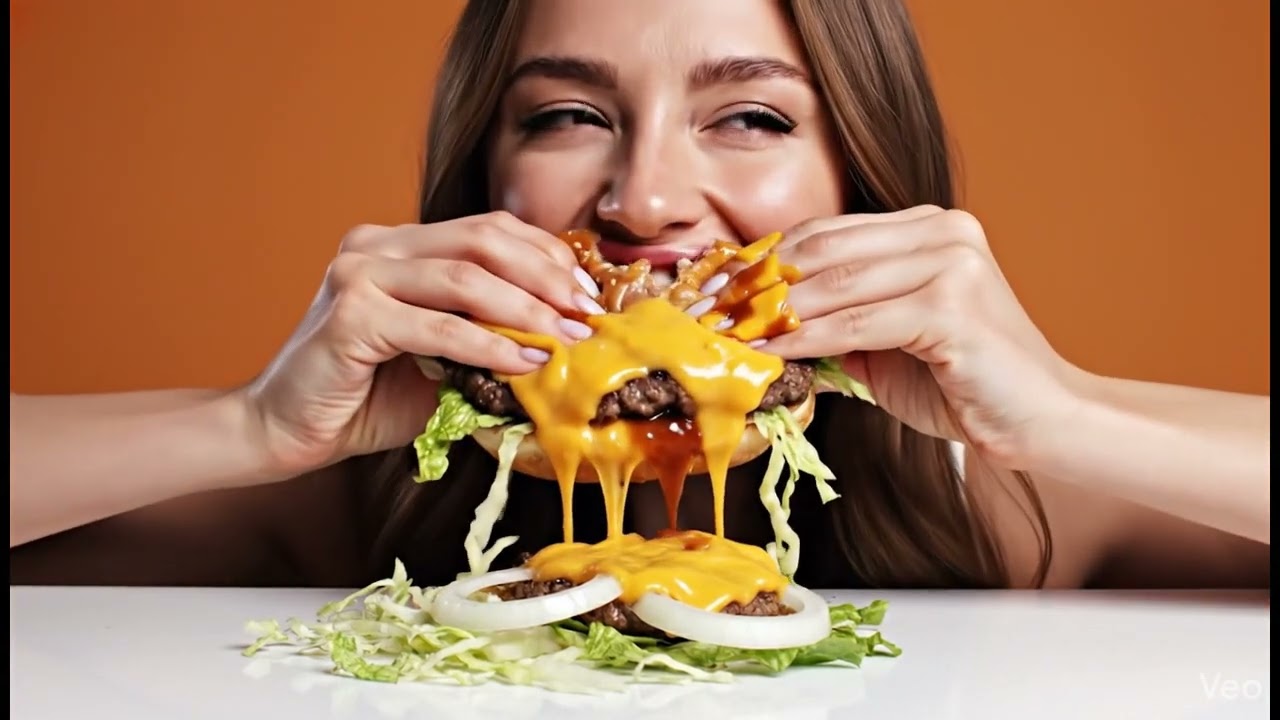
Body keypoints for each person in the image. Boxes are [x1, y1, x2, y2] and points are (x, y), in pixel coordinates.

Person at [9, 0, 1269, 590]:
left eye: (752, 117)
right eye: (566, 115)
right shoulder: (341, 508)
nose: (646, 197)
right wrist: (248, 427)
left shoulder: (1006, 505)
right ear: (484, 182)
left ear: (865, 184)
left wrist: (1063, 414)